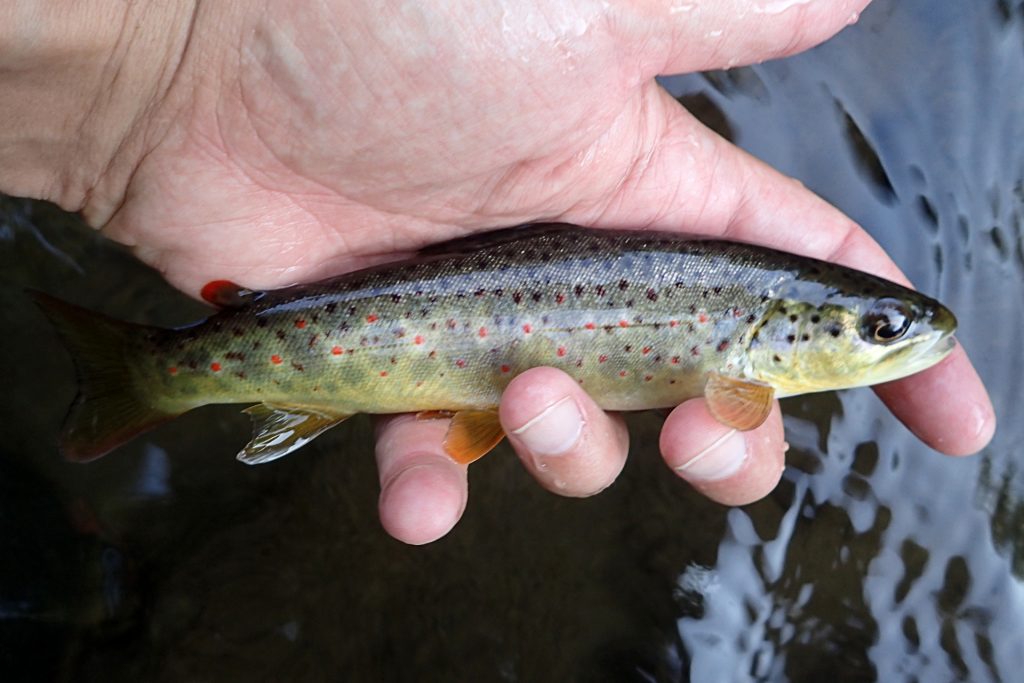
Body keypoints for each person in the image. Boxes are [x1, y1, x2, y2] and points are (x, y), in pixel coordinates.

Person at [0, 0, 994, 545]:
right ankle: (146, 375)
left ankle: (151, 375)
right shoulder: (734, 376)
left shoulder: (745, 370)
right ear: (781, 334)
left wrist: (160, 58)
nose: (894, 341)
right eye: (875, 328)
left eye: (879, 330)